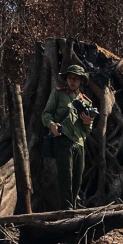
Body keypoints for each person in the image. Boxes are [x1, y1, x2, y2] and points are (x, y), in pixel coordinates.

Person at [42, 64, 96, 209]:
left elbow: (88, 129)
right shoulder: (58, 94)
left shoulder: (86, 102)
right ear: (66, 78)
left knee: (77, 179)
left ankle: (73, 207)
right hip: (63, 140)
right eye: (70, 77)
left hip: (79, 143)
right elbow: (46, 114)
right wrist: (52, 125)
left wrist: (87, 122)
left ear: (81, 81)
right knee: (65, 177)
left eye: (76, 78)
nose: (73, 81)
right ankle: (66, 210)